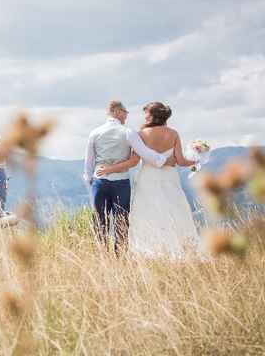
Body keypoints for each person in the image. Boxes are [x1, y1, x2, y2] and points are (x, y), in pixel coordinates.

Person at [95, 102, 199, 257]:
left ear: (153, 115)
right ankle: (181, 249)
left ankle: (150, 250)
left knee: (147, 211)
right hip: (169, 176)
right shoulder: (173, 133)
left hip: (148, 176)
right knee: (174, 209)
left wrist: (109, 169)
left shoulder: (141, 134)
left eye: (146, 113)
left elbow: (134, 161)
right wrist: (197, 160)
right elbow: (181, 161)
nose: (144, 116)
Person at [83, 101, 175, 254]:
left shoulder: (94, 133)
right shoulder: (128, 132)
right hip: (120, 182)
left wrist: (91, 181)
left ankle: (102, 257)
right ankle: (121, 257)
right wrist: (164, 160)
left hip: (99, 182)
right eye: (125, 112)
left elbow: (89, 162)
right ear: (117, 111)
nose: (127, 115)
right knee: (122, 221)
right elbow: (144, 152)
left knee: (100, 221)